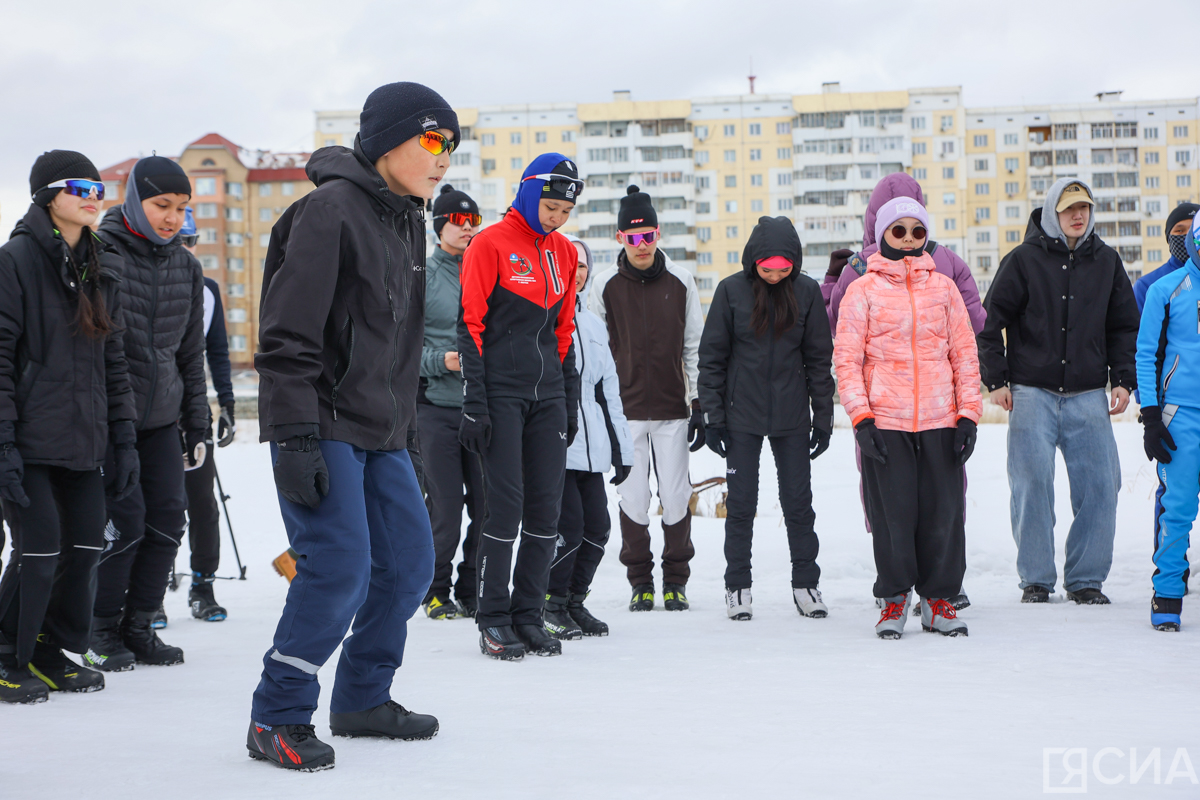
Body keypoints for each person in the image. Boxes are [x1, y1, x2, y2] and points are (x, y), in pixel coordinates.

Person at [248, 82, 451, 771]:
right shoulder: (328, 211)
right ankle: (277, 713)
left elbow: (401, 347)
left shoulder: (408, 221)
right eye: (432, 139)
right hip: (324, 422)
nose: (444, 156)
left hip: (384, 431)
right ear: (387, 141)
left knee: (409, 566)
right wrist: (294, 435)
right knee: (338, 570)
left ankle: (363, 697)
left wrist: (411, 438)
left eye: (451, 145)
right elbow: (286, 334)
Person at [0, 151, 138, 703]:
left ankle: (50, 650)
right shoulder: (15, 260)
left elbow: (114, 361)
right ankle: (6, 654)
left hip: (84, 439)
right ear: (46, 195)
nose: (92, 197)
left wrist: (123, 440)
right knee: (38, 553)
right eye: (79, 187)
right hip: (29, 440)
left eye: (98, 188)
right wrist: (4, 445)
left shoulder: (101, 265)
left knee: (83, 551)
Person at [825, 173, 984, 610]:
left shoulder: (944, 279)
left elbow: (966, 347)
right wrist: (860, 418)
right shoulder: (862, 280)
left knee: (942, 510)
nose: (909, 239)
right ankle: (894, 593)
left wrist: (969, 413)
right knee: (892, 508)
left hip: (940, 413)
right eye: (898, 230)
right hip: (884, 415)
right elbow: (845, 349)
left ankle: (941, 594)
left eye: (917, 230)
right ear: (880, 228)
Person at [978, 178, 1139, 605]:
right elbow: (988, 323)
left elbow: (1125, 327)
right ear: (1053, 212)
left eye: (1084, 207)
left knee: (1101, 486)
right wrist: (997, 380)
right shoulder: (1022, 260)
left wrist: (1124, 379)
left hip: (1088, 394)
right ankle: (1036, 579)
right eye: (1069, 208)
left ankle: (1086, 579)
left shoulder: (1107, 262)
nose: (1077, 215)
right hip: (1031, 393)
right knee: (1031, 485)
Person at [85, 156, 207, 672]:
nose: (172, 218)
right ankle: (99, 627)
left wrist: (197, 419)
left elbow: (190, 353)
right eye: (161, 205)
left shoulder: (187, 267)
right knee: (125, 521)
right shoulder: (100, 253)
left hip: (161, 419)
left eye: (181, 208)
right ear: (135, 200)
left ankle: (139, 625)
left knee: (168, 519)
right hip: (110, 418)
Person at [458, 153, 581, 660]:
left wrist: (568, 399)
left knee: (546, 509)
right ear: (530, 194)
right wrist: (475, 402)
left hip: (547, 394)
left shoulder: (564, 252)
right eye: (550, 208)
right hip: (501, 394)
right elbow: (470, 324)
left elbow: (564, 331)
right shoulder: (489, 243)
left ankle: (529, 615)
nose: (556, 219)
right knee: (505, 508)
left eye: (565, 212)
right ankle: (493, 617)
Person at [698, 217, 835, 622]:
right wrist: (713, 418)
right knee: (741, 505)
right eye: (767, 269)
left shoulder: (807, 292)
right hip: (741, 417)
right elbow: (712, 359)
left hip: (792, 418)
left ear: (794, 263)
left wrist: (823, 418)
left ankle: (806, 585)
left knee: (798, 504)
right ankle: (737, 587)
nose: (775, 277)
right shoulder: (730, 291)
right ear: (753, 261)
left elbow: (818, 360)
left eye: (783, 269)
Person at [590, 185, 704, 613]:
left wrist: (698, 403)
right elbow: (597, 355)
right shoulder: (603, 286)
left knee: (675, 497)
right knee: (633, 500)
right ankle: (640, 582)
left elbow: (694, 347)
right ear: (620, 237)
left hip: (673, 410)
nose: (642, 245)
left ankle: (675, 580)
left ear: (659, 234)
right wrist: (602, 413)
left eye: (649, 235)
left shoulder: (682, 281)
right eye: (633, 237)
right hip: (626, 414)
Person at [543, 236, 633, 640]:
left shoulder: (594, 324)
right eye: (570, 264)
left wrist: (622, 450)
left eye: (582, 266)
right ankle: (549, 602)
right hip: (556, 444)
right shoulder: (542, 314)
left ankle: (574, 601)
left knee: (598, 528)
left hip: (592, 448)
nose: (576, 272)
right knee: (569, 527)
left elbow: (607, 390)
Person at [417, 184, 484, 620]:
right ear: (439, 226)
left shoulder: (486, 269)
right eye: (458, 221)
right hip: (435, 408)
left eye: (473, 220)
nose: (467, 228)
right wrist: (442, 360)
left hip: (480, 408)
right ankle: (434, 589)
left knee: (488, 506)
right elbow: (401, 350)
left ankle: (472, 587)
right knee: (445, 508)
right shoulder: (422, 276)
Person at [1135, 213, 1200, 632]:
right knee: (1177, 507)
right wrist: (1152, 417)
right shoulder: (1165, 289)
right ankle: (1168, 592)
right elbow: (1145, 355)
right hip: (1182, 414)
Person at [178, 207, 237, 623]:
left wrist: (227, 404)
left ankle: (203, 586)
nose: (186, 249)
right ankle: (145, 594)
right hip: (150, 412)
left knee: (202, 503)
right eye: (178, 240)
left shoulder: (208, 288)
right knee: (154, 506)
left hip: (194, 409)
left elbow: (217, 351)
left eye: (191, 241)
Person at [1133, 203, 1200, 313]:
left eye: (1194, 231)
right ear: (1169, 239)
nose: (1188, 237)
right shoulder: (1147, 285)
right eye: (1180, 231)